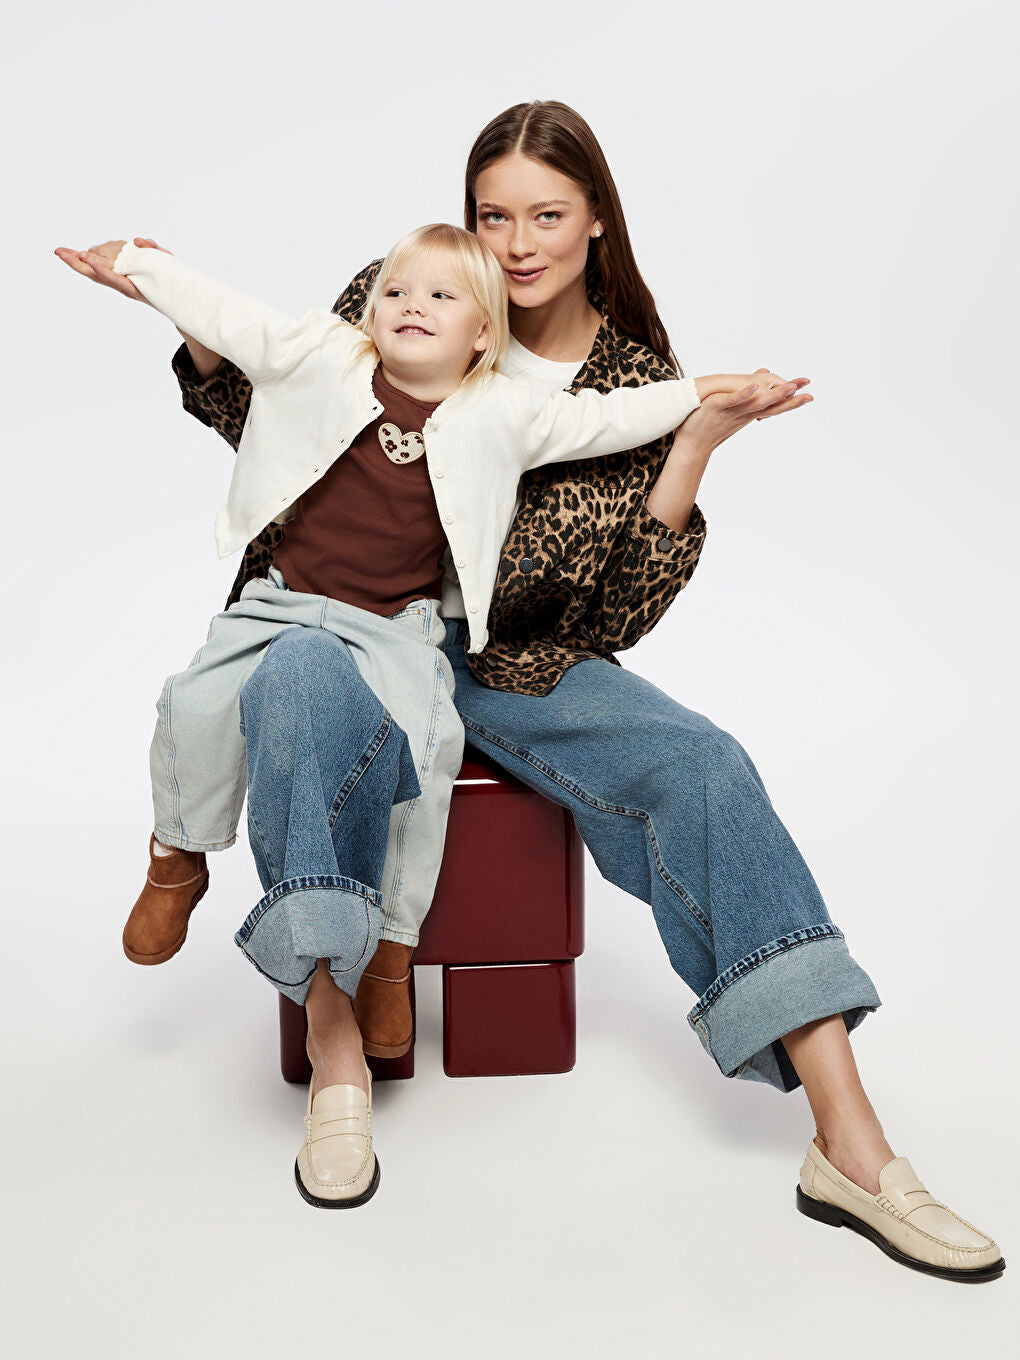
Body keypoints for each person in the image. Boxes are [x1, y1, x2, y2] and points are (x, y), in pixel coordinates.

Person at [55, 100, 1005, 1277]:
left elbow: (613, 620)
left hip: (518, 661)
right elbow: (276, 414)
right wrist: (186, 317)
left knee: (703, 763)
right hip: (344, 622)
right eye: (492, 214)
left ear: (595, 219)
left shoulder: (629, 377)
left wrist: (694, 444)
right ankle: (339, 1053)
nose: (515, 243)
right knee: (295, 675)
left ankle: (851, 1145)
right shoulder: (414, 290)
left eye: (546, 215)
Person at [64, 220, 747, 1206]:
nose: (409, 307)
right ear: (369, 310)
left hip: (397, 628)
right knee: (194, 701)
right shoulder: (322, 355)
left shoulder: (503, 410)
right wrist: (144, 269)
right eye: (394, 291)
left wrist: (699, 394)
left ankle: (391, 952)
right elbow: (231, 316)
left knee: (424, 760)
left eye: (439, 296)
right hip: (285, 605)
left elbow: (603, 421)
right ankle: (177, 857)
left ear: (483, 335)